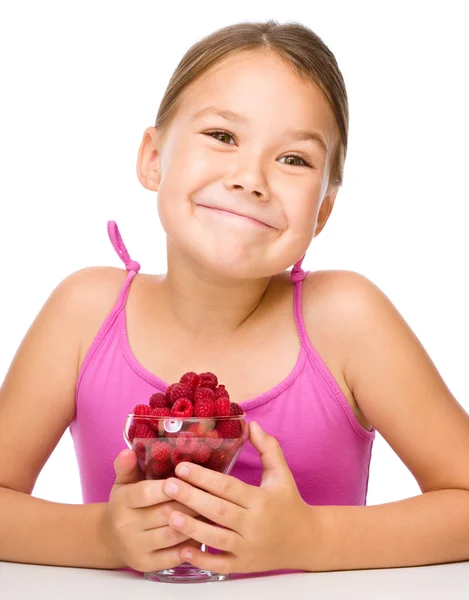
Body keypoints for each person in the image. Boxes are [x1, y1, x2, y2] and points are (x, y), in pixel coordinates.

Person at [1, 18, 469, 579]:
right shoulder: (84, 313)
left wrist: (310, 539)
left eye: (293, 159)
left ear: (323, 210)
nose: (251, 178)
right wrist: (103, 535)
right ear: (152, 158)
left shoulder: (347, 322)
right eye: (222, 136)